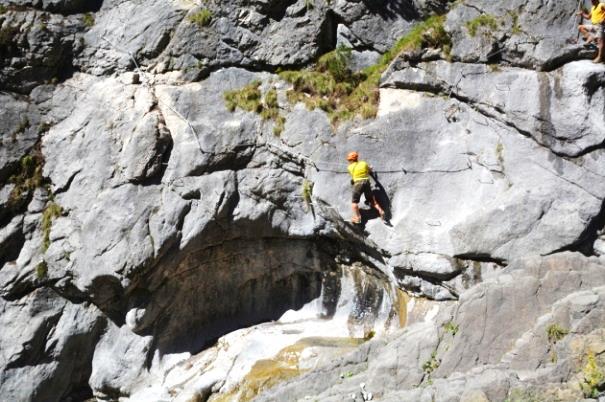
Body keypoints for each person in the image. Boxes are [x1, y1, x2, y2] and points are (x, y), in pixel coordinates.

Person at [346, 151, 385, 224]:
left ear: (351, 160)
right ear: (356, 158)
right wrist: (370, 168)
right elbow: (369, 170)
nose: (348, 161)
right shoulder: (363, 163)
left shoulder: (349, 167)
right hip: (366, 182)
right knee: (371, 200)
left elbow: (353, 175)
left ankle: (357, 218)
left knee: (354, 203)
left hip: (358, 183)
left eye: (349, 160)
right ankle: (381, 211)